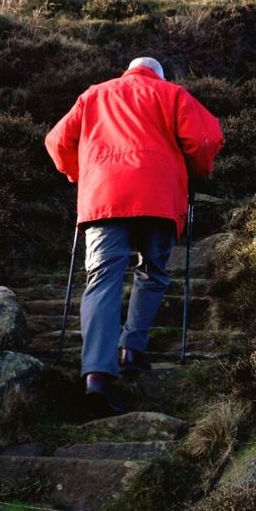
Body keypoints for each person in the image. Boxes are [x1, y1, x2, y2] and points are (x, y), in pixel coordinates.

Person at [45, 57, 223, 412]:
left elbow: (56, 141)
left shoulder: (94, 95)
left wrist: (81, 174)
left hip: (104, 197)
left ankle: (95, 373)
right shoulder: (172, 94)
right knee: (153, 273)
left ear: (128, 71)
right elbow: (207, 138)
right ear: (158, 74)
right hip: (157, 197)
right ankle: (131, 349)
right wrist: (197, 171)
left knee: (102, 279)